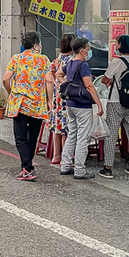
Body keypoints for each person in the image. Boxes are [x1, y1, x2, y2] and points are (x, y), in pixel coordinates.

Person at [2, 31, 54, 181]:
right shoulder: (44, 60)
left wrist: (12, 93)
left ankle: (27, 168)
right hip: (37, 104)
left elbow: (6, 79)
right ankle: (27, 166)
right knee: (33, 137)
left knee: (20, 137)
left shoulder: (16, 59)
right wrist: (49, 100)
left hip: (20, 104)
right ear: (36, 45)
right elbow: (49, 81)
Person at [98, 34, 129, 178]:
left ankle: (108, 167)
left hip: (116, 101)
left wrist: (109, 81)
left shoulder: (116, 62)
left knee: (111, 134)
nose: (116, 46)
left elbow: (105, 79)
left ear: (121, 46)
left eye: (117, 44)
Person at [60, 37, 104, 180]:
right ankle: (79, 170)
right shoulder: (83, 65)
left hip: (71, 104)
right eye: (88, 48)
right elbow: (89, 86)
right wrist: (99, 103)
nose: (90, 50)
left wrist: (68, 84)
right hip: (82, 105)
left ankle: (65, 166)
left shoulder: (70, 62)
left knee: (72, 134)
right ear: (82, 50)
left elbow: (58, 74)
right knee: (83, 138)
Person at [48, 34, 74, 165]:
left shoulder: (58, 58)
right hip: (66, 94)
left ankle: (56, 155)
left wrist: (56, 81)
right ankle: (66, 157)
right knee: (66, 126)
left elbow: (51, 71)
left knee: (57, 125)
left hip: (57, 94)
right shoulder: (71, 60)